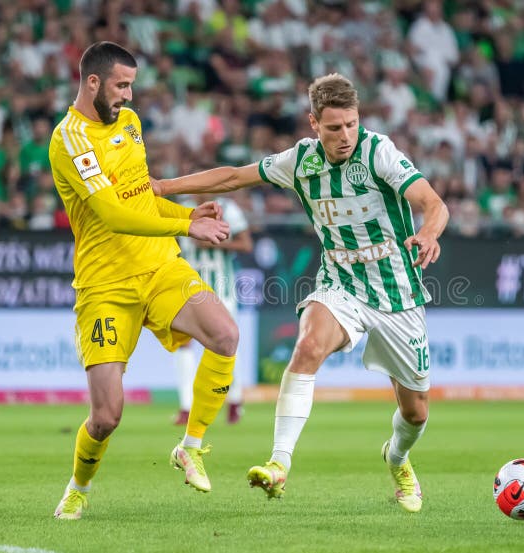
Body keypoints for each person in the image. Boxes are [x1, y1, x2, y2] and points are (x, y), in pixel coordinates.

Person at [153, 73, 449, 513]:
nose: (345, 135)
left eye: (351, 123)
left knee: (416, 413)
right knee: (307, 346)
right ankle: (279, 463)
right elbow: (234, 177)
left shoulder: (378, 151)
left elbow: (433, 203)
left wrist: (428, 232)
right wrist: (162, 187)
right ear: (313, 123)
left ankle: (398, 458)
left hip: (398, 293)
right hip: (340, 284)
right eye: (334, 127)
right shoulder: (301, 161)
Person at [49, 41, 238, 520]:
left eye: (131, 85)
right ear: (92, 83)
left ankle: (190, 445)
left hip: (159, 266)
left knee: (225, 334)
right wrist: (186, 226)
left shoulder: (130, 126)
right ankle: (79, 486)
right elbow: (111, 214)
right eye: (121, 86)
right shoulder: (68, 139)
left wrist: (183, 213)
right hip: (106, 286)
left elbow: (139, 197)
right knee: (107, 415)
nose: (129, 97)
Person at [174, 195, 253, 425]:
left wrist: (216, 241)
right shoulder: (183, 207)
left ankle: (235, 401)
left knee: (225, 346)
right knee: (184, 344)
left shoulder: (229, 208)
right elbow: (173, 245)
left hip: (222, 289)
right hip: (189, 288)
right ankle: (186, 407)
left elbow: (246, 244)